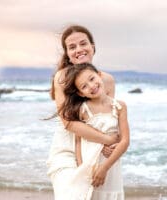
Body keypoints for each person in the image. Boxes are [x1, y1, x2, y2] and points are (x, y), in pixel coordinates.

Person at [46, 25, 120, 200]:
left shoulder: (107, 80)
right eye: (72, 47)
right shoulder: (62, 78)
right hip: (66, 149)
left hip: (96, 149)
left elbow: (110, 119)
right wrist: (108, 139)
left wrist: (112, 143)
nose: (79, 50)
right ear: (68, 54)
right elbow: (68, 123)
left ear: (92, 46)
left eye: (83, 43)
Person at [62, 63, 130, 199]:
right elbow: (78, 141)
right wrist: (81, 167)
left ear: (99, 75)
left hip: (110, 167)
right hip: (89, 169)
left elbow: (125, 141)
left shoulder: (119, 106)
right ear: (81, 93)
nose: (91, 86)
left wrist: (104, 168)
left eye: (92, 79)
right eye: (84, 86)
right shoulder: (82, 110)